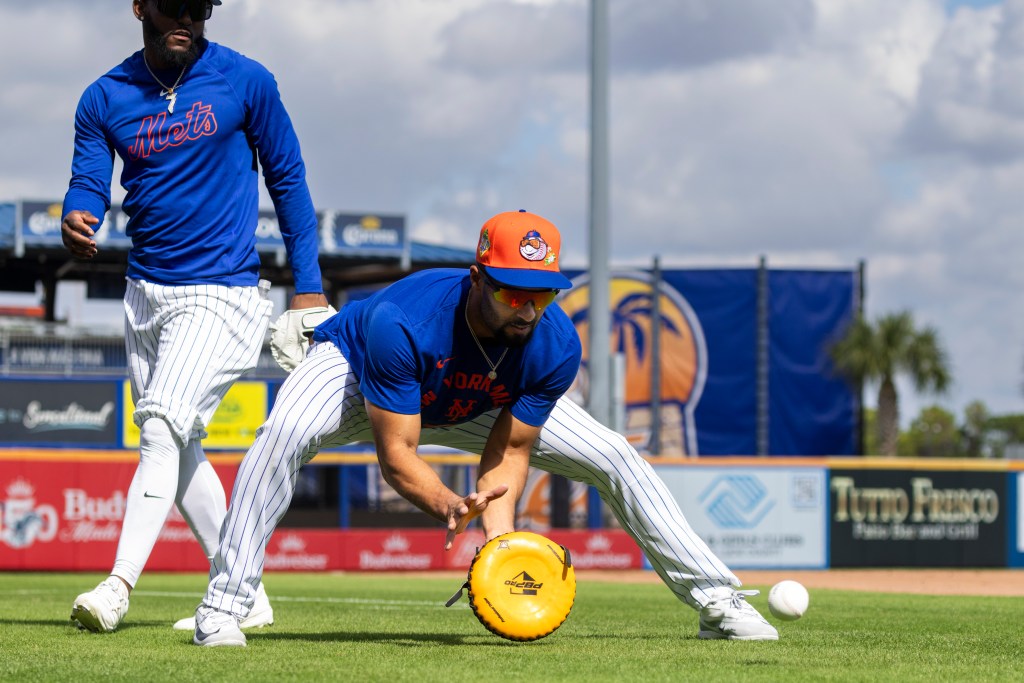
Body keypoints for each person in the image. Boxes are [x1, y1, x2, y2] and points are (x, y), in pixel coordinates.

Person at [191, 209, 778, 647]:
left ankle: (717, 601)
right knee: (283, 436)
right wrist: (449, 503)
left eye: (541, 294)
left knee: (616, 456)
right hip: (355, 374)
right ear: (477, 276)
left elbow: (511, 448)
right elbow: (397, 454)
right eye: (510, 291)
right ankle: (224, 607)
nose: (526, 308)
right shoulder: (406, 322)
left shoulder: (553, 344)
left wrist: (499, 541)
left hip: (474, 401)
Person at [61, 0, 329, 633]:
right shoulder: (103, 96)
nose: (187, 15)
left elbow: (287, 180)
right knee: (181, 450)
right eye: (171, 3)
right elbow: (88, 179)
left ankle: (118, 585)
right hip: (145, 293)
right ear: (139, 7)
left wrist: (310, 288)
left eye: (199, 4)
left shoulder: (246, 79)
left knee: (160, 429)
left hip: (222, 292)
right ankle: (246, 591)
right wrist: (78, 214)